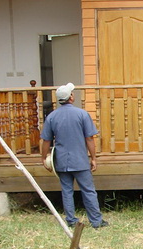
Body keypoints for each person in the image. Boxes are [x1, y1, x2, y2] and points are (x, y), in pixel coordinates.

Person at [41, 83, 108, 228]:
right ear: (71, 97)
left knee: (66, 191)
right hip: (80, 160)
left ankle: (71, 220)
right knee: (88, 191)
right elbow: (89, 139)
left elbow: (46, 140)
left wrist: (44, 157)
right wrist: (93, 158)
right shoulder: (82, 114)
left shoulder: (52, 116)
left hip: (61, 160)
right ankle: (96, 221)